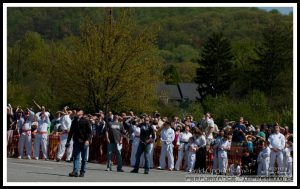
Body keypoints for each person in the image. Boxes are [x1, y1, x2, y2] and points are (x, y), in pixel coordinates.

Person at [66, 109, 92, 177]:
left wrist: (87, 140)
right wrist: (68, 141)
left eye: (79, 111)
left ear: (82, 113)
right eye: (77, 111)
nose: (77, 112)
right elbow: (71, 132)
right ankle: (75, 171)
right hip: (76, 141)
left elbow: (89, 132)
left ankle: (82, 172)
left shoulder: (86, 121)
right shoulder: (74, 121)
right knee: (76, 157)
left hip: (84, 142)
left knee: (84, 158)